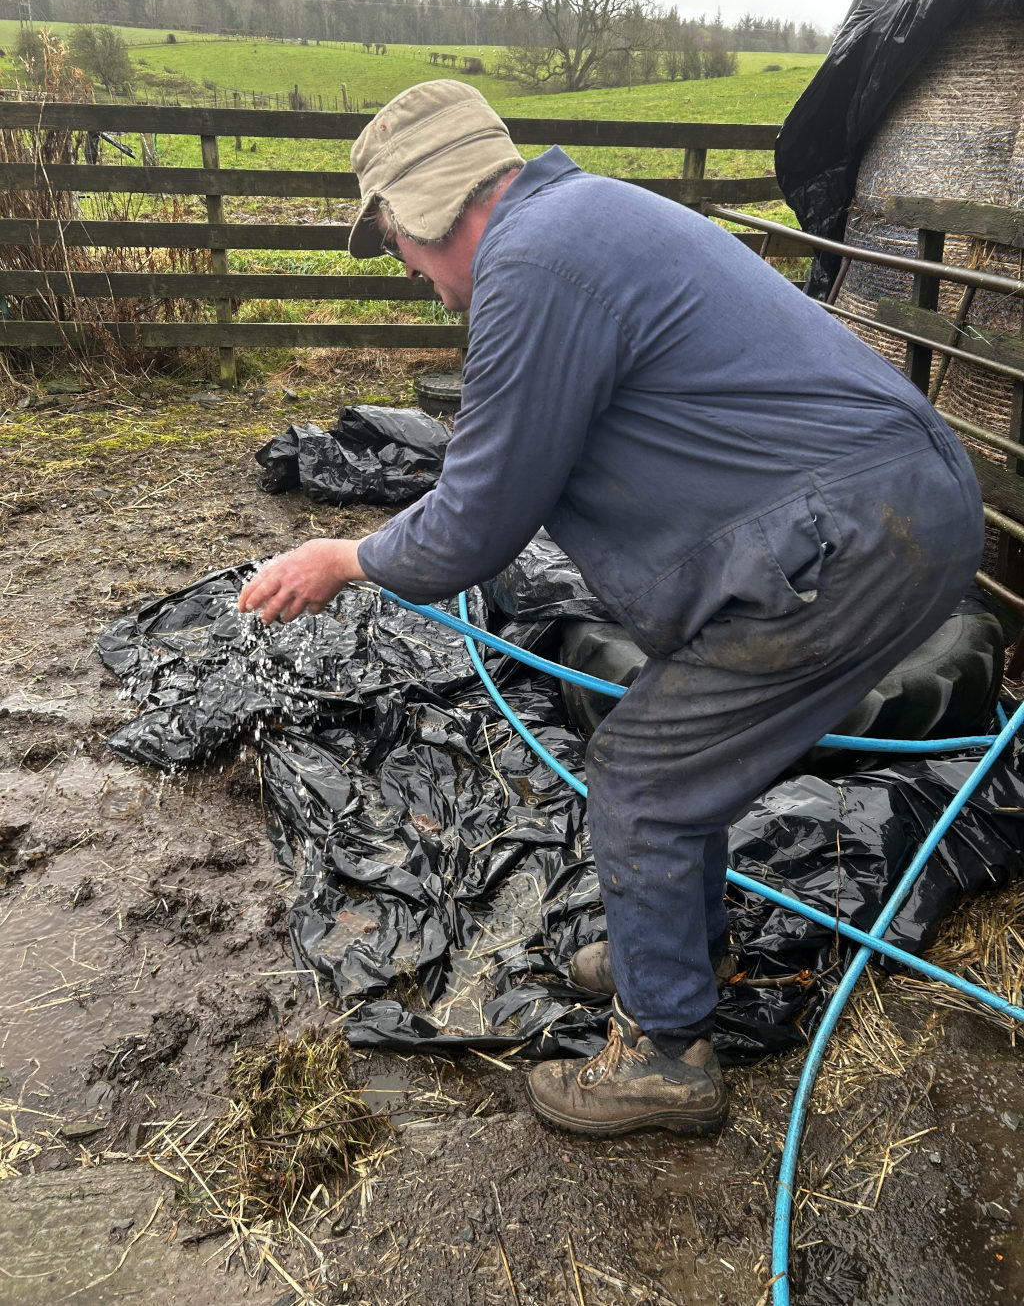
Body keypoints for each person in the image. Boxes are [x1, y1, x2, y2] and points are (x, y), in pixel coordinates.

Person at [238, 80, 984, 1138]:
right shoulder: (580, 223)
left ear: (431, 208)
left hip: (854, 536)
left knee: (640, 774)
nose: (410, 274)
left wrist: (343, 555)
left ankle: (665, 1058)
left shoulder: (533, 265)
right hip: (886, 507)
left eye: (399, 245)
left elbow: (473, 527)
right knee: (679, 759)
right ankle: (684, 951)